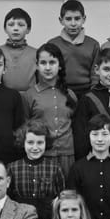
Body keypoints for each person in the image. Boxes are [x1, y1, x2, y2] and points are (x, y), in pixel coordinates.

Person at [23, 42, 77, 177]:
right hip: (42, 154)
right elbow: (24, 127)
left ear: (60, 65)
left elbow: (76, 125)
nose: (48, 67)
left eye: (52, 62)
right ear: (37, 65)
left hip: (67, 155)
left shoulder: (70, 94)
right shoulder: (30, 95)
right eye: (43, 63)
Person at [7, 119, 65, 219]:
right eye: (30, 142)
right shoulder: (13, 168)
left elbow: (61, 197)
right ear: (23, 143)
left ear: (46, 143)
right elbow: (8, 199)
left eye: (40, 143)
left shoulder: (55, 168)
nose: (35, 147)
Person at [47, 0, 100, 99]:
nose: (73, 23)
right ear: (61, 20)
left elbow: (95, 74)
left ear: (84, 19)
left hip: (87, 92)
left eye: (77, 18)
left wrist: (94, 94)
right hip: (60, 92)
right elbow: (49, 72)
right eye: (68, 19)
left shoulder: (93, 44)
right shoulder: (52, 44)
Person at [0, 7, 37, 92]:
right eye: (11, 25)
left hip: (29, 98)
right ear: (5, 29)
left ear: (28, 29)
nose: (15, 28)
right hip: (2, 97)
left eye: (21, 25)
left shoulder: (36, 54)